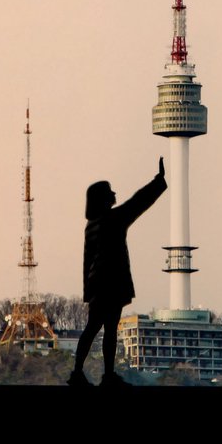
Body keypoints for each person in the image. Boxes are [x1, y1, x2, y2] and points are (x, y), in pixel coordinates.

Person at [68, 157, 167, 389]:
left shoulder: (91, 225)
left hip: (97, 285)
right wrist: (158, 181)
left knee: (94, 328)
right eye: (110, 192)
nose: (115, 194)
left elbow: (87, 260)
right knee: (107, 329)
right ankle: (105, 375)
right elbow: (138, 202)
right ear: (103, 198)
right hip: (111, 282)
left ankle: (79, 373)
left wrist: (87, 291)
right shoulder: (113, 219)